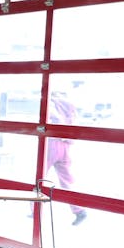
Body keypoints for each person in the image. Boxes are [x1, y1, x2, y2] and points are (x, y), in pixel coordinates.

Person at [47, 91, 88, 226]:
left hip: (52, 143)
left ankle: (33, 208)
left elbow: (55, 119)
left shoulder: (52, 102)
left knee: (39, 175)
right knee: (67, 181)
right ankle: (79, 210)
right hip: (66, 145)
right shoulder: (70, 106)